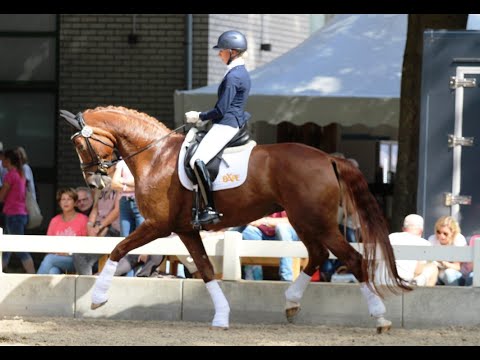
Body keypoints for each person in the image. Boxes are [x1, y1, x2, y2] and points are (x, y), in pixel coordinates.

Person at [185, 30, 251, 225]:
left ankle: (210, 208)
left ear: (231, 51)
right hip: (230, 121)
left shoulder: (234, 77)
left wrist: (199, 116)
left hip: (227, 123)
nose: (218, 54)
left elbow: (221, 109)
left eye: (221, 51)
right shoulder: (238, 72)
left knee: (197, 160)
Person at [111, 159, 163, 277]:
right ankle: (125, 273)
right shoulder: (121, 163)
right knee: (125, 238)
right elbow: (114, 183)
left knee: (141, 236)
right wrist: (132, 185)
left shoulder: (143, 161)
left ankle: (136, 274)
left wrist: (123, 183)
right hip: (124, 201)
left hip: (140, 201)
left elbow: (145, 181)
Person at [74, 165, 121, 275]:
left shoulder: (120, 187)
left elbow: (116, 211)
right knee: (78, 255)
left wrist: (99, 227)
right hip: (98, 229)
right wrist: (90, 225)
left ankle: (87, 286)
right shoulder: (101, 187)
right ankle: (88, 283)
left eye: (111, 166)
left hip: (112, 230)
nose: (107, 169)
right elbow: (95, 208)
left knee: (82, 257)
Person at [37, 188, 89, 274]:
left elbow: (86, 247)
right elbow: (48, 245)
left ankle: (33, 285)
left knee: (49, 259)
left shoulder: (83, 220)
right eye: (63, 199)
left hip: (75, 260)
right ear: (59, 203)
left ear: (75, 203)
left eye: (69, 199)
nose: (65, 202)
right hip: (57, 258)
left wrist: (68, 253)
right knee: (52, 271)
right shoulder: (54, 221)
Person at [0, 149, 35, 273]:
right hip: (20, 214)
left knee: (19, 247)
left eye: (3, 159)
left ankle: (33, 275)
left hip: (13, 214)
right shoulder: (20, 173)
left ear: (8, 161)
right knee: (8, 247)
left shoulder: (10, 175)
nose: (1, 161)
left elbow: (1, 196)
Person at [242, 211, 299, 281]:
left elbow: (291, 220)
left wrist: (264, 221)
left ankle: (286, 279)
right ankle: (254, 280)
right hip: (263, 232)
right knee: (248, 230)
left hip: (289, 234)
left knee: (282, 228)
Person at [388, 214, 438, 286]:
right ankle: (427, 296)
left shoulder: (391, 237)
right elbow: (419, 269)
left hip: (388, 280)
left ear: (403, 228)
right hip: (408, 282)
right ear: (421, 230)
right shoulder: (424, 243)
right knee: (433, 268)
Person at [427, 215, 467, 286]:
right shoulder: (432, 239)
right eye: (438, 232)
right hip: (438, 272)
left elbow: (457, 267)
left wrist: (442, 263)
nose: (441, 236)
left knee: (448, 274)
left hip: (457, 274)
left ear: (453, 233)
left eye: (445, 233)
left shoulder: (458, 240)